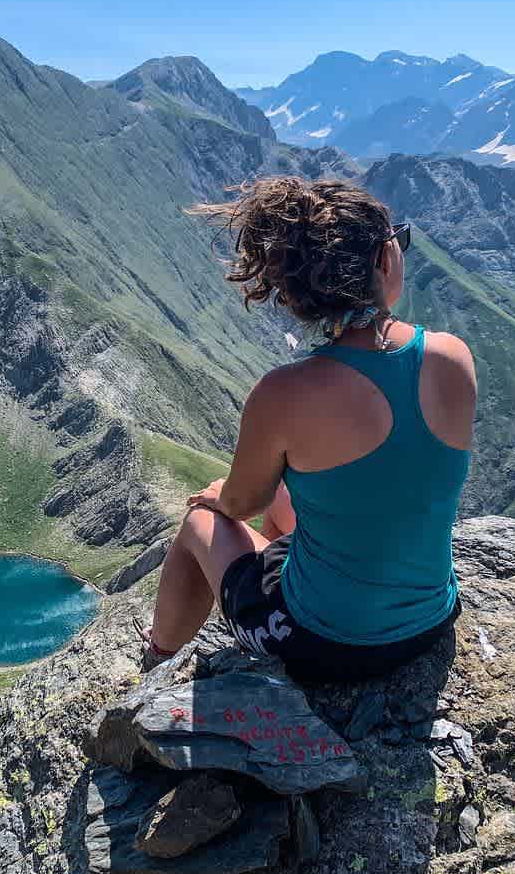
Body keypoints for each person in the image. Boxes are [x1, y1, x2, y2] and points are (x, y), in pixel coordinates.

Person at [140, 177, 476, 683]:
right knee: (288, 508)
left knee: (198, 523)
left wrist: (215, 497)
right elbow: (393, 478)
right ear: (385, 260)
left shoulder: (284, 392)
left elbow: (241, 506)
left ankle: (158, 661)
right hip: (430, 621)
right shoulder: (451, 356)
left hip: (322, 645)